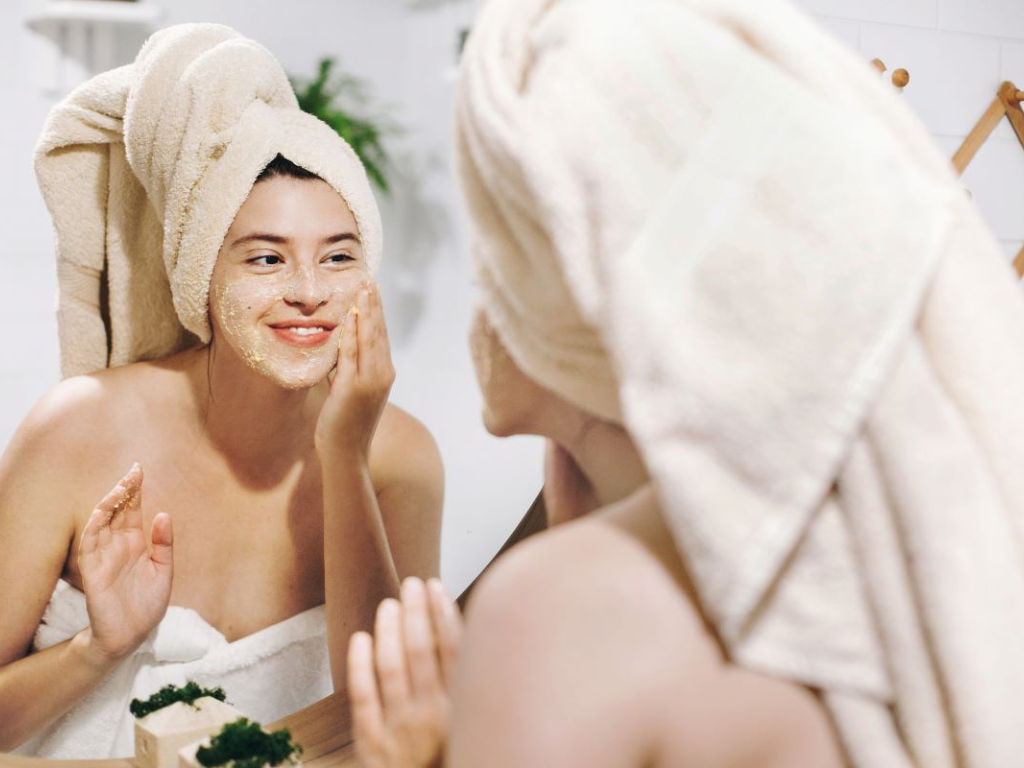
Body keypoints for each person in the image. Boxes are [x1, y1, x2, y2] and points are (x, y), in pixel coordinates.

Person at [346, 0, 1024, 766]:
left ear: (582, 288)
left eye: (500, 245)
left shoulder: (557, 611)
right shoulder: (907, 560)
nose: (482, 294)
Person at [0, 24, 443, 758]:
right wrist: (98, 649)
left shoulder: (399, 458)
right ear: (199, 278)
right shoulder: (79, 428)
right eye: (266, 258)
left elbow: (392, 732)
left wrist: (344, 454)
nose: (309, 292)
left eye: (339, 257)